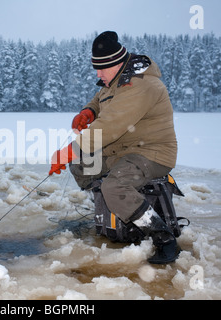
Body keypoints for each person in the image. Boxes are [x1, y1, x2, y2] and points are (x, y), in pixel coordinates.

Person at [49, 31, 179, 264]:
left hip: (152, 153)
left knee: (114, 186)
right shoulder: (116, 80)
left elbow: (109, 126)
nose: (98, 74)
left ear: (119, 62)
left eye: (102, 69)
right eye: (96, 68)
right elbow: (101, 99)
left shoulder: (142, 85)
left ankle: (163, 238)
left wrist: (69, 150)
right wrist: (89, 111)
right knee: (81, 165)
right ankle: (108, 209)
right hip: (122, 151)